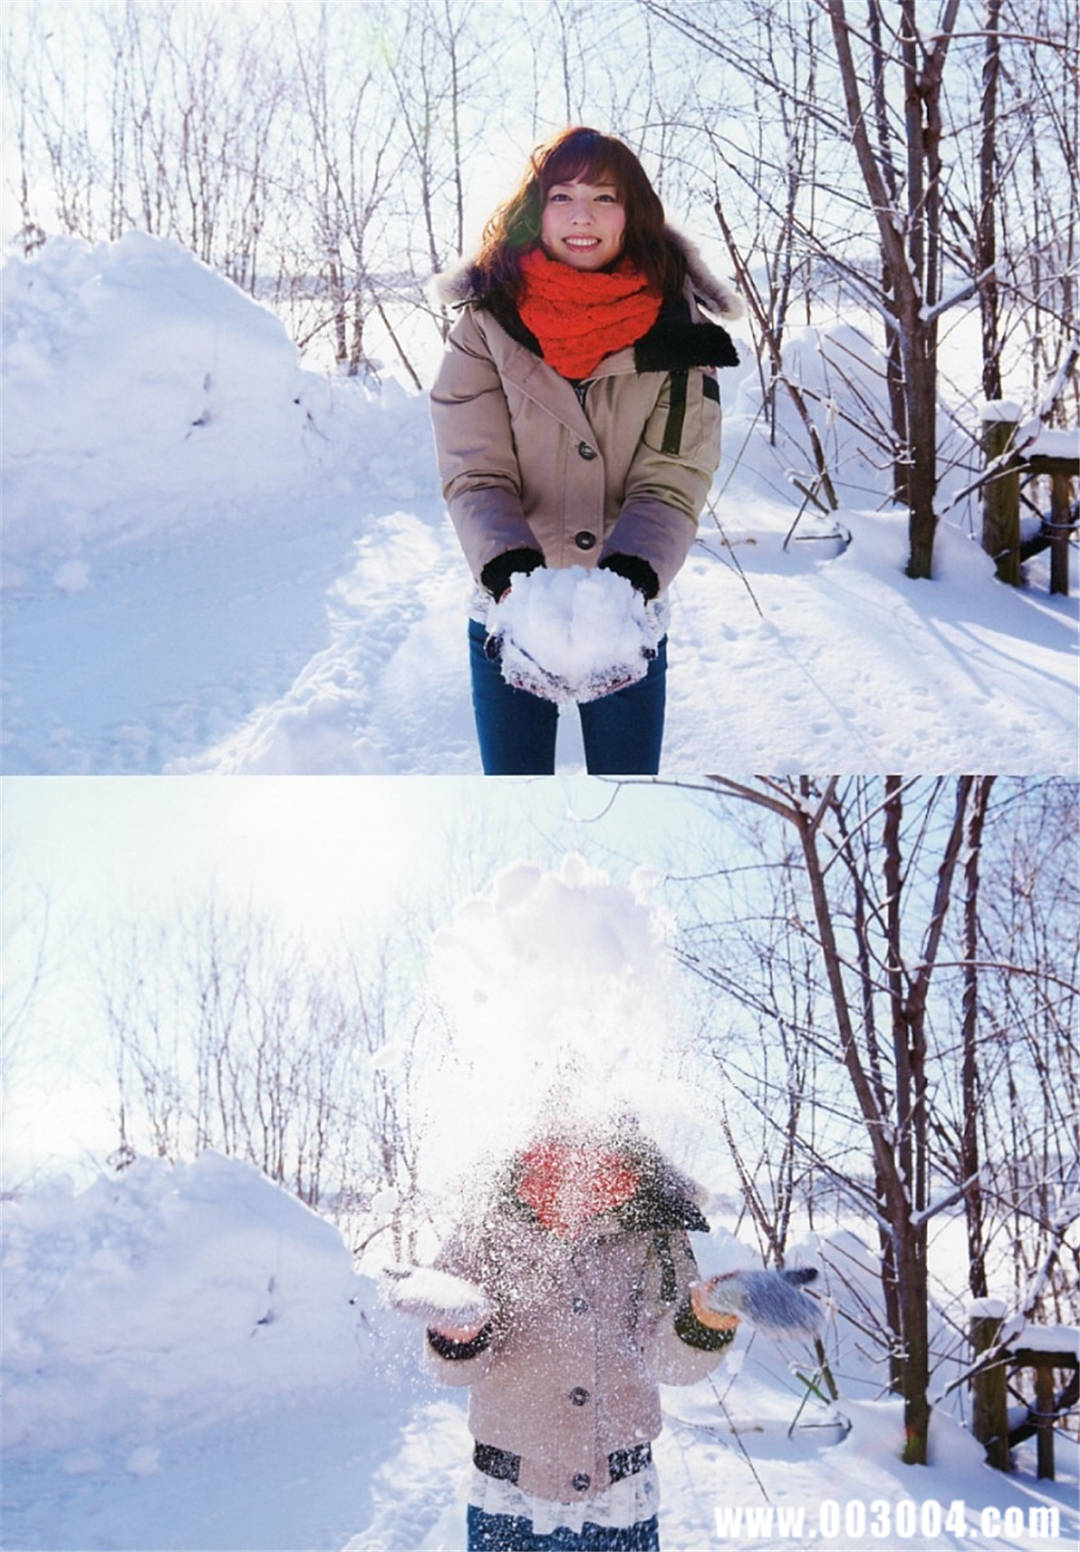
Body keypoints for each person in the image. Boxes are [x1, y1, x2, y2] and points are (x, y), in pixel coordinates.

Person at [430, 127, 742, 776]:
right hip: (509, 610)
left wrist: (626, 586)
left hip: (627, 612)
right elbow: (475, 468)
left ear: (632, 214)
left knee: (627, 789)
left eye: (604, 197)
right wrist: (515, 581)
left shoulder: (678, 331)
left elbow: (675, 474)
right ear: (534, 213)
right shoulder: (485, 323)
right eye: (562, 196)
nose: (582, 216)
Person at [421, 1129, 740, 1550]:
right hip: (508, 1501)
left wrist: (704, 1318)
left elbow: (668, 1360)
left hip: (619, 1497)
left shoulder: (656, 1228)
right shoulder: (485, 1222)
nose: (569, 1168)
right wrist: (457, 1340)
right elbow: (448, 1367)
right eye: (550, 1154)